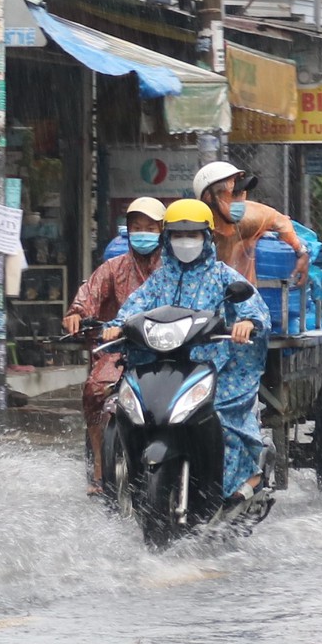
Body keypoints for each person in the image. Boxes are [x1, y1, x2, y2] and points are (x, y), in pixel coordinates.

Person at [107, 199, 272, 500]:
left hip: (214, 368)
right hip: (165, 366)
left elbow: (254, 308)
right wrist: (117, 325)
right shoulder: (159, 279)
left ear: (206, 238)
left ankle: (245, 481)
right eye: (178, 236)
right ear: (168, 239)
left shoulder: (223, 276)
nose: (185, 242)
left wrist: (247, 322)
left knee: (224, 422)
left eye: (193, 235)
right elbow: (134, 307)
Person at [64, 196, 168, 492]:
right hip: (121, 349)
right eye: (137, 227)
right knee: (95, 390)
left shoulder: (173, 269)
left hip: (168, 349)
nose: (143, 233)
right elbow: (87, 299)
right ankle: (99, 466)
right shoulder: (114, 268)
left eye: (150, 227)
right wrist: (76, 315)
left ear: (163, 230)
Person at [193, 160, 311, 287]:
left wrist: (301, 252)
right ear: (209, 197)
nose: (239, 201)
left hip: (238, 295)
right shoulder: (191, 227)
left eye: (242, 193)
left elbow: (281, 221)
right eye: (234, 193)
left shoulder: (248, 219)